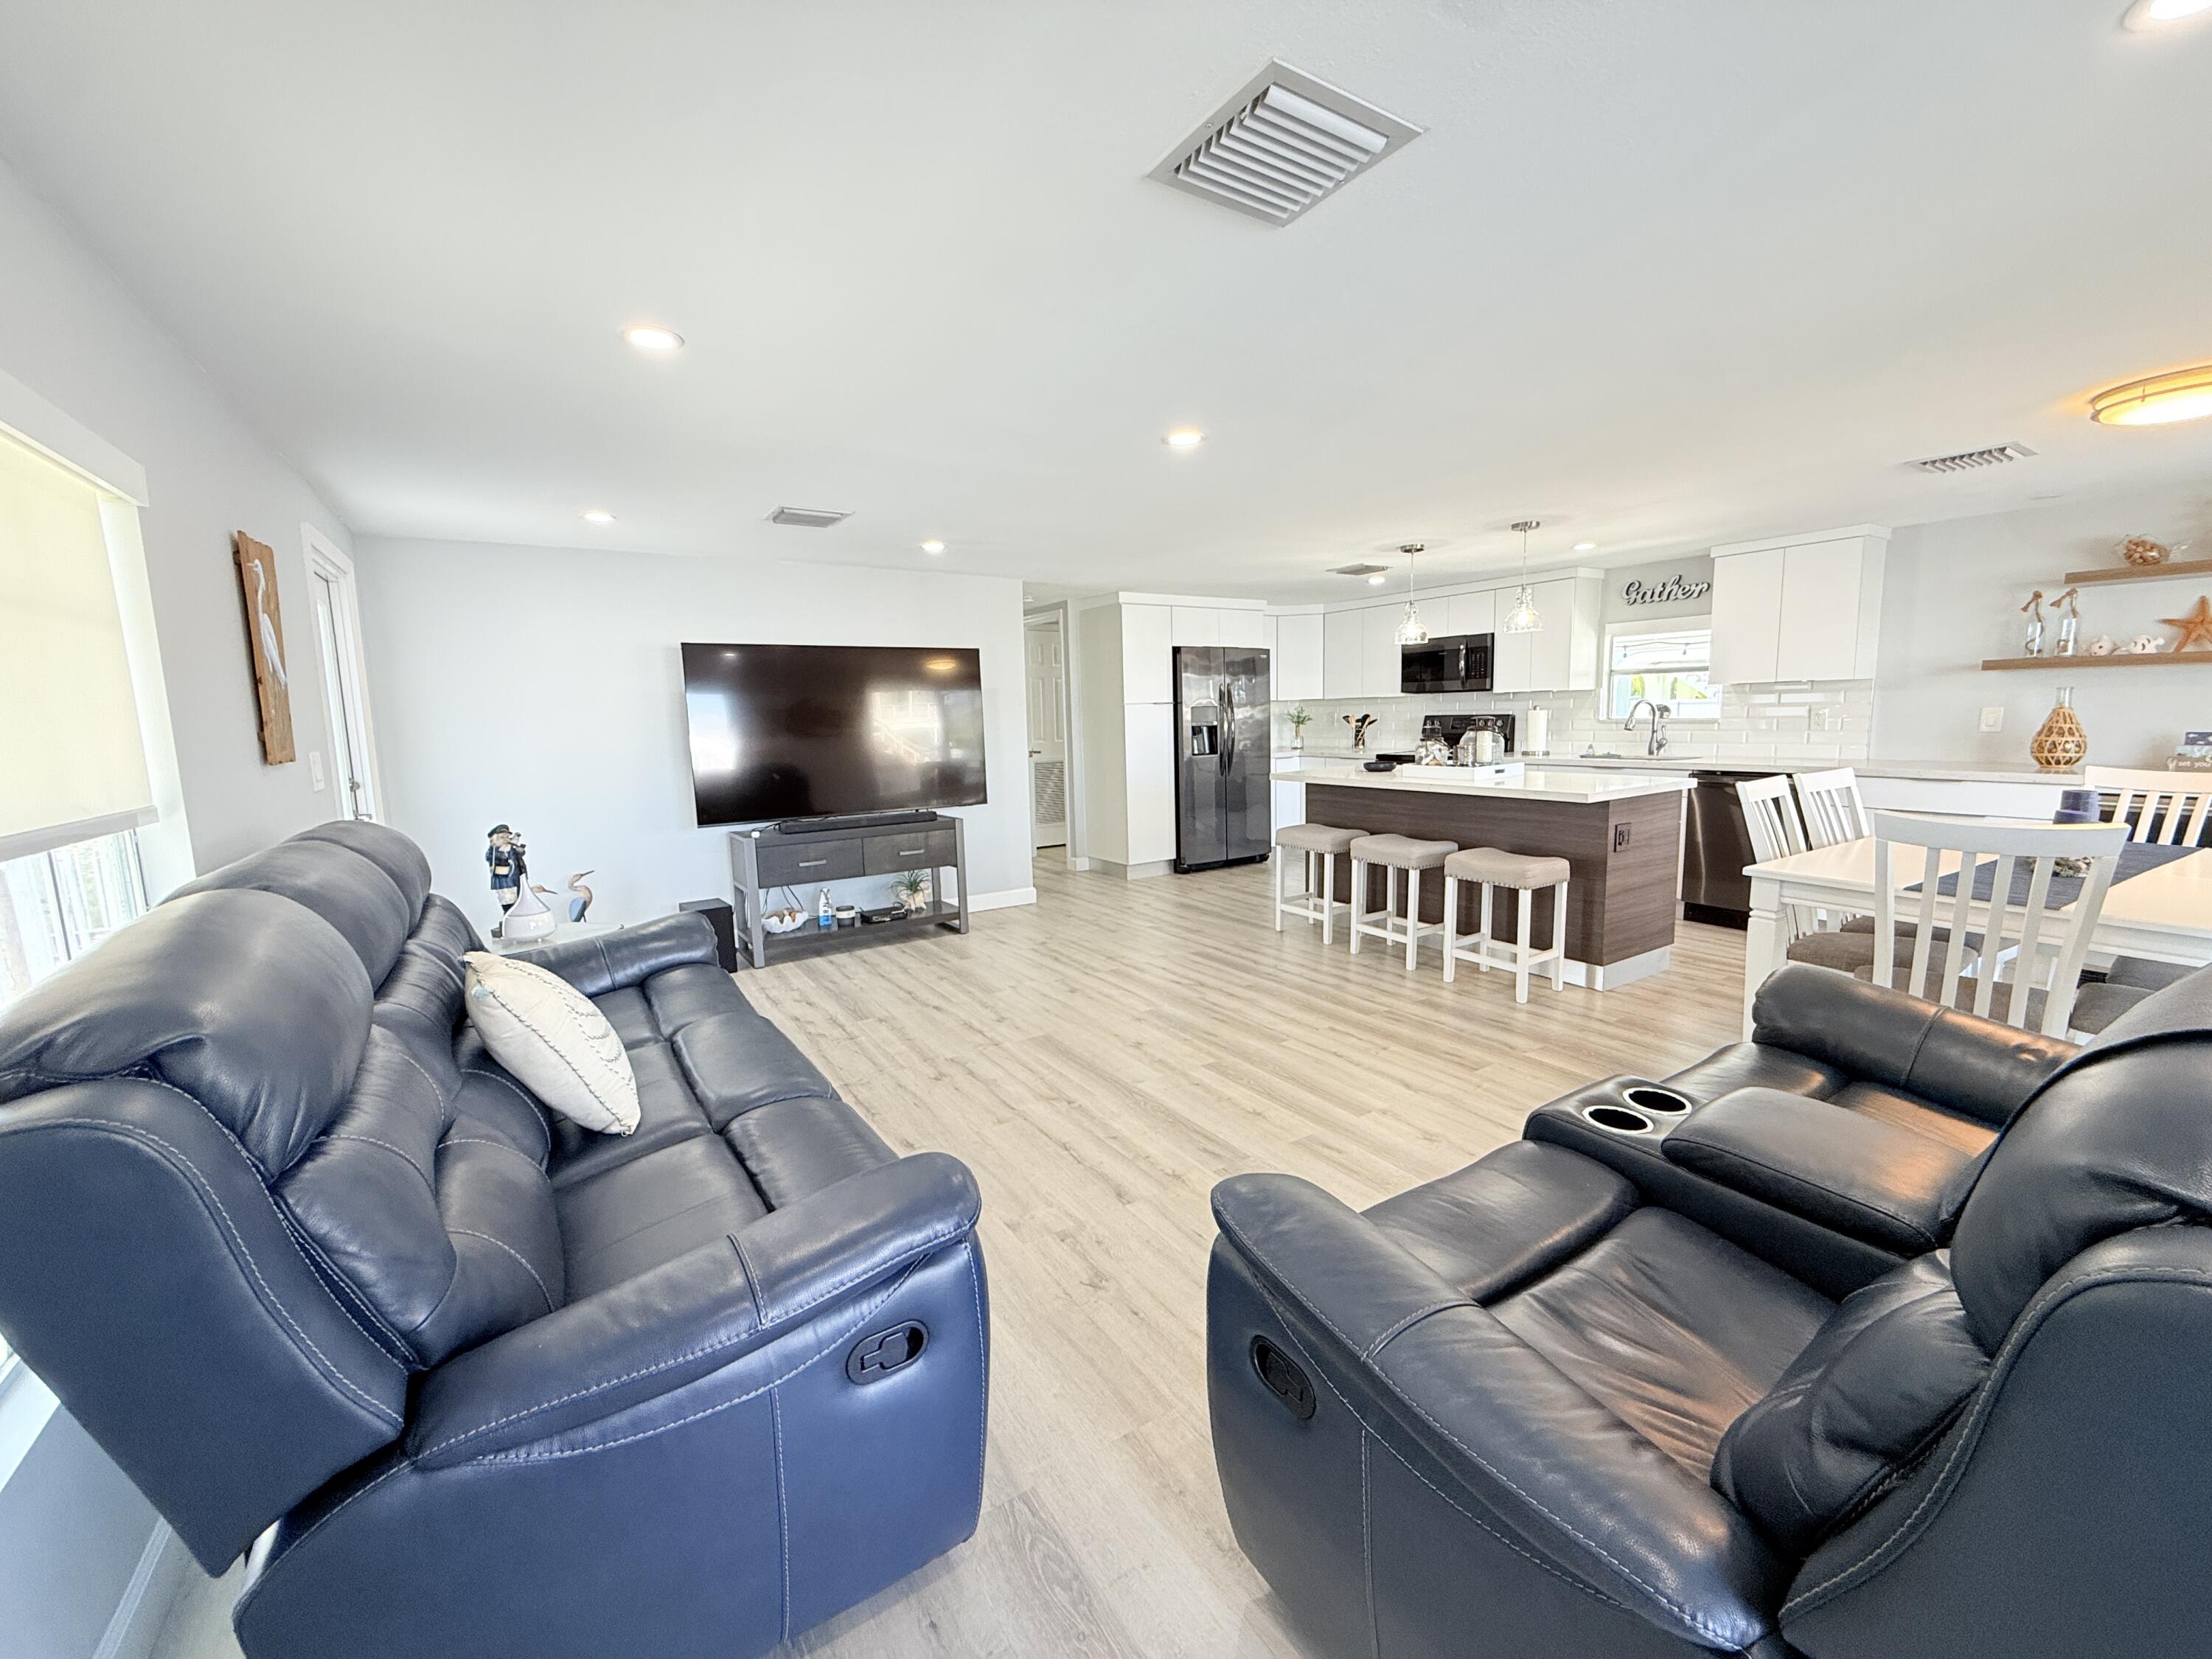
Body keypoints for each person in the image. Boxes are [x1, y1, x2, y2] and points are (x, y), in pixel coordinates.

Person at [485, 824, 526, 935]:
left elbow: (519, 855)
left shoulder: (510, 849)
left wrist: (519, 850)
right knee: (508, 903)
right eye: (502, 837)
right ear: (495, 840)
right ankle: (509, 922)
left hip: (515, 880)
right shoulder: (493, 851)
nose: (506, 840)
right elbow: (495, 858)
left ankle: (516, 923)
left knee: (518, 902)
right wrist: (504, 851)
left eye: (507, 837)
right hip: (504, 883)